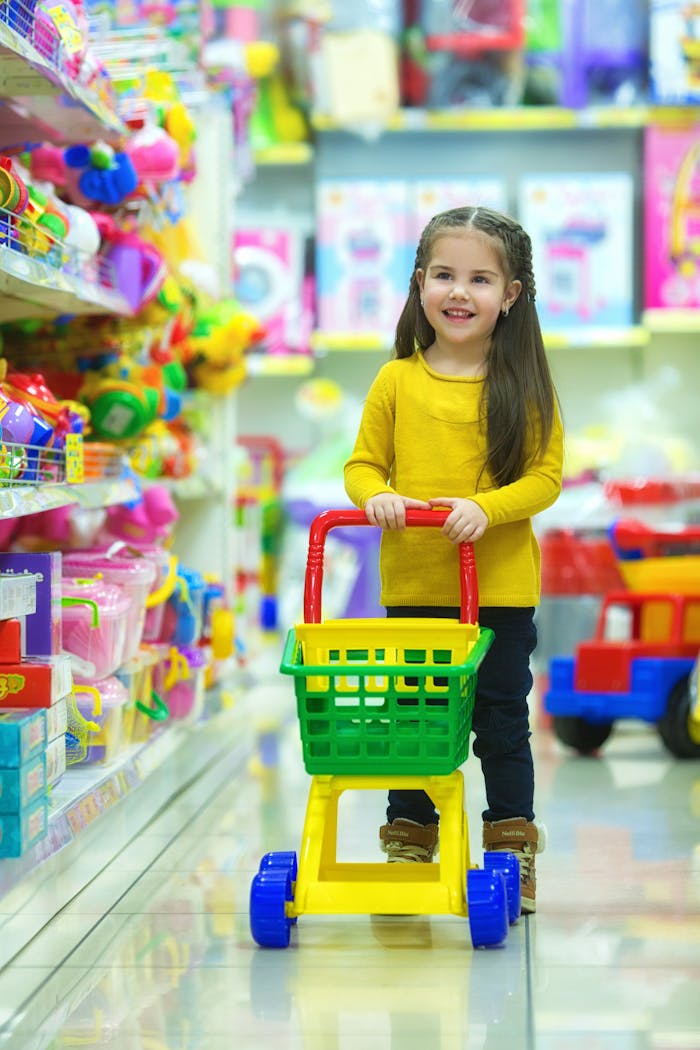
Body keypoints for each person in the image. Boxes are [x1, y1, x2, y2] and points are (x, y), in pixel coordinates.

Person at [343, 205, 564, 914]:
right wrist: (377, 495)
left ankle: (510, 847)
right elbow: (361, 465)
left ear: (512, 295)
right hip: (414, 586)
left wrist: (487, 506)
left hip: (499, 590)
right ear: (419, 285)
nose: (459, 292)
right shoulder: (396, 381)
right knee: (411, 719)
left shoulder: (522, 383)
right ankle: (410, 839)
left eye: (479, 278)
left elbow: (544, 478)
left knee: (500, 720)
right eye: (444, 275)